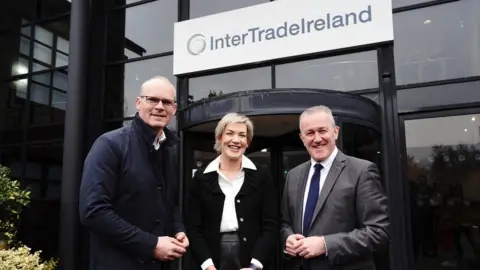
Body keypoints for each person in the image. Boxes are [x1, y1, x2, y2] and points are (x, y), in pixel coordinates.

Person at [79, 76, 188, 270]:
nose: (160, 107)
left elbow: (170, 204)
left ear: (174, 109)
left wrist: (178, 230)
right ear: (138, 103)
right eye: (152, 99)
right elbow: (93, 211)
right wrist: (151, 245)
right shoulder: (110, 145)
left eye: (167, 102)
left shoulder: (169, 149)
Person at [280, 105, 390, 270]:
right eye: (310, 133)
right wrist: (288, 238)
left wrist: (326, 245)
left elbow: (379, 233)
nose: (317, 139)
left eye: (322, 131)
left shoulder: (361, 171)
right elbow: (285, 222)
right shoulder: (293, 176)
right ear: (302, 138)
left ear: (335, 132)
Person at [185, 113, 279, 270]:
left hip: (252, 259)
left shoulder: (262, 176)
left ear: (247, 142)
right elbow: (193, 228)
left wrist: (255, 265)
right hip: (211, 260)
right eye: (230, 133)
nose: (236, 140)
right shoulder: (200, 178)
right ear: (220, 138)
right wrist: (208, 266)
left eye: (242, 135)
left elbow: (270, 226)